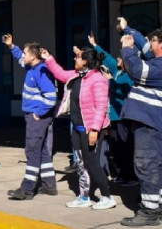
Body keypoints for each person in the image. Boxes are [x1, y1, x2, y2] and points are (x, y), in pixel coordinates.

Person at [119, 27, 162, 227]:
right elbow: (145, 47)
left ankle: (149, 213)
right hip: (153, 122)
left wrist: (127, 49)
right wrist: (128, 29)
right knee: (156, 166)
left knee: (145, 165)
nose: (149, 43)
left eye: (153, 40)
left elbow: (136, 70)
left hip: (151, 122)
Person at [43, 46, 115, 209]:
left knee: (92, 162)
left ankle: (107, 197)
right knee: (82, 163)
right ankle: (84, 197)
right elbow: (60, 74)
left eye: (78, 57)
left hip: (91, 128)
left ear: (86, 61)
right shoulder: (77, 76)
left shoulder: (98, 80)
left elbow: (101, 106)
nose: (75, 59)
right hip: (77, 127)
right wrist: (49, 58)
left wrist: (94, 130)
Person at [2, 34, 58, 200]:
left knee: (32, 150)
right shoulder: (32, 67)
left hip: (37, 118)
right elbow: (20, 57)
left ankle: (27, 189)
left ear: (33, 56)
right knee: (42, 151)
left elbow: (51, 98)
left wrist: (37, 114)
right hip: (36, 116)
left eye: (26, 53)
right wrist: (12, 46)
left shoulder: (41, 71)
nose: (24, 56)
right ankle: (49, 185)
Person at [88, 34, 137, 186]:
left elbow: (123, 90)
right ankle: (122, 174)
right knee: (116, 147)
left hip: (124, 116)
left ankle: (130, 176)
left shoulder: (129, 76)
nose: (117, 60)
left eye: (121, 59)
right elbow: (107, 58)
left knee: (125, 146)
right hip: (114, 117)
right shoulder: (118, 71)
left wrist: (111, 81)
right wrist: (95, 45)